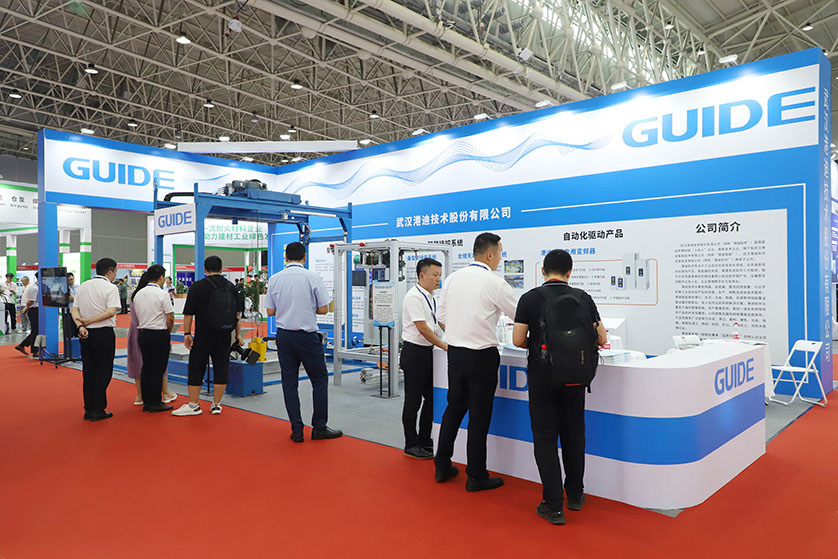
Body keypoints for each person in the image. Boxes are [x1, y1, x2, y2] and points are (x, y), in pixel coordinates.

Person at [512, 249, 607, 525]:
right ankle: (575, 495)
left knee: (545, 438)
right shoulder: (583, 298)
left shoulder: (529, 298)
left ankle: (553, 505)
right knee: (574, 434)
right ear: (570, 272)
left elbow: (518, 340)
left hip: (542, 377)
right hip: (575, 377)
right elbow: (601, 338)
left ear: (543, 271)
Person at [434, 232, 518, 491]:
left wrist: (460, 332)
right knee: (479, 416)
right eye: (500, 253)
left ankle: (441, 465)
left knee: (454, 408)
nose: (500, 258)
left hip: (455, 353)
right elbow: (519, 314)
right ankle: (476, 475)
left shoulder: (452, 279)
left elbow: (441, 317)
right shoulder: (495, 283)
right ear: (490, 254)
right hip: (482, 356)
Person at [265, 242, 342, 443]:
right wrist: (306, 307)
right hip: (307, 337)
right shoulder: (312, 277)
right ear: (304, 257)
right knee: (319, 379)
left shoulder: (275, 279)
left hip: (284, 336)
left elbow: (270, 311)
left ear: (286, 258)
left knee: (289, 382)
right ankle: (319, 427)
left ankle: (297, 430)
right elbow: (324, 309)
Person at [171, 256, 243, 417]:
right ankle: (216, 404)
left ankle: (193, 405)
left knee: (196, 367)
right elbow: (238, 315)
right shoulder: (230, 287)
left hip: (203, 334)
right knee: (221, 367)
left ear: (204, 269)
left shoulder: (197, 287)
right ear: (221, 269)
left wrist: (187, 333)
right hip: (225, 334)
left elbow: (188, 314)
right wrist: (238, 335)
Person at [401, 258, 448, 459]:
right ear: (422, 275)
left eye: (440, 275)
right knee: (413, 401)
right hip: (415, 353)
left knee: (431, 398)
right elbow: (422, 328)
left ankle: (424, 438)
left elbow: (439, 321)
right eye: (435, 275)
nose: (438, 279)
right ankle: (410, 444)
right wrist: (445, 345)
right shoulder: (413, 297)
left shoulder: (431, 297)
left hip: (428, 352)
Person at [72, 258, 121, 421]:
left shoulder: (83, 286)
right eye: (115, 271)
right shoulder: (110, 287)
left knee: (89, 371)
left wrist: (81, 325)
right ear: (110, 272)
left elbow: (75, 310)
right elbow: (110, 312)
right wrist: (88, 321)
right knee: (103, 371)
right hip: (103, 333)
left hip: (85, 334)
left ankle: (89, 408)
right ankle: (98, 409)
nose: (115, 275)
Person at [127, 271, 178, 407]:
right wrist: (167, 331)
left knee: (146, 367)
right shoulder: (162, 294)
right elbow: (170, 317)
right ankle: (156, 402)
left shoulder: (137, 295)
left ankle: (145, 399)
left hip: (142, 333)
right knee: (158, 369)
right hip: (158, 332)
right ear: (161, 277)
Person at [14, 273, 40, 356]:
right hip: (34, 310)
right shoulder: (34, 287)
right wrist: (25, 309)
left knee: (37, 330)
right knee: (35, 331)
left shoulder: (39, 287)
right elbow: (30, 301)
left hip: (40, 310)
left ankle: (22, 345)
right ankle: (34, 351)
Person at [63, 272, 78, 339]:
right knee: (69, 333)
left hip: (77, 312)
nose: (70, 281)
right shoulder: (64, 289)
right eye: (68, 280)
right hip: (68, 312)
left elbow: (82, 298)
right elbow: (69, 298)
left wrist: (74, 298)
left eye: (71, 279)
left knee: (77, 331)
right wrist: (76, 298)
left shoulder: (78, 287)